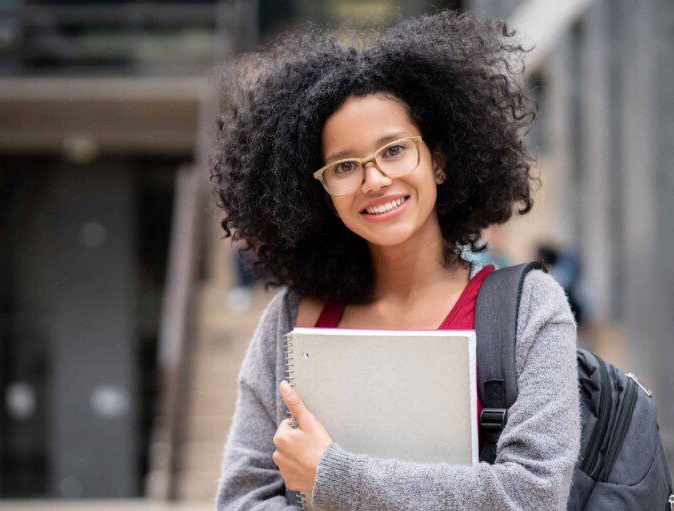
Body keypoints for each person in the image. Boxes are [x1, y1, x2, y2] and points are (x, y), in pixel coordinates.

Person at [211, 11, 580, 510]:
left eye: (394, 150)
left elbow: (534, 496)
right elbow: (242, 500)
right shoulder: (292, 320)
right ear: (319, 193)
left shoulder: (528, 307)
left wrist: (332, 476)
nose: (375, 180)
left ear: (440, 160)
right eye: (344, 165)